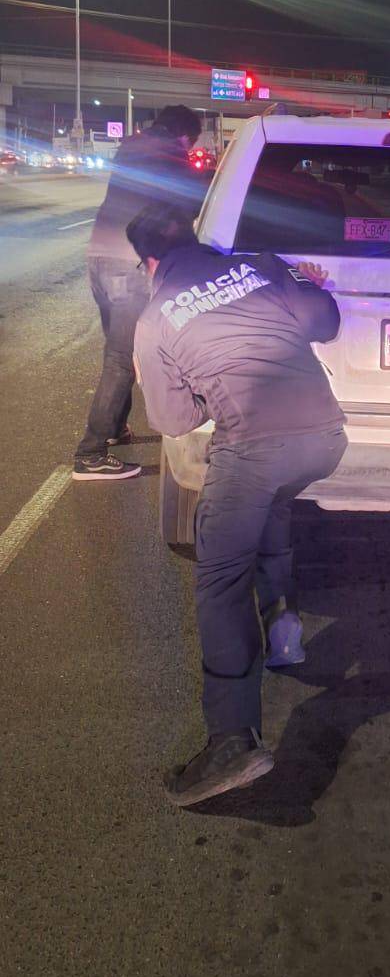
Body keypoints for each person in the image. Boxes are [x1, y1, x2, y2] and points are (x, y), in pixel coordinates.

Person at [128, 202, 347, 807]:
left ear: (150, 263)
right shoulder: (261, 266)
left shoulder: (154, 320)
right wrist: (302, 285)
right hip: (326, 439)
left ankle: (231, 740)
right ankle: (285, 632)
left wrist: (206, 389)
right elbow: (325, 321)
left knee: (220, 582)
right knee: (271, 503)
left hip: (255, 449)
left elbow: (171, 419)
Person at [73, 105, 203, 481]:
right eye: (191, 143)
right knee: (121, 358)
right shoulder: (170, 154)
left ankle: (113, 428)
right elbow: (185, 206)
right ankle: (90, 452)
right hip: (127, 264)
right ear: (184, 136)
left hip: (98, 255)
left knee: (117, 350)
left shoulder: (132, 145)